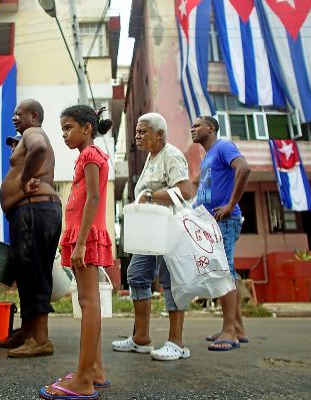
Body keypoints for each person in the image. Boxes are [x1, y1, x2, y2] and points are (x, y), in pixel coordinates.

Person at [39, 105, 113, 400]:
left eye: (69, 128)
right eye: (63, 129)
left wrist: (81, 242)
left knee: (88, 302)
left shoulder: (90, 155)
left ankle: (83, 379)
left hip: (87, 236)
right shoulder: (87, 157)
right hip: (82, 234)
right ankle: (94, 370)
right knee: (88, 302)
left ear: (87, 128)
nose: (65, 135)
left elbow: (93, 199)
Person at [111, 112, 192, 361]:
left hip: (171, 229)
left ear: (159, 134)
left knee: (171, 281)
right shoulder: (150, 157)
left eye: (142, 131)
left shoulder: (172, 155)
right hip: (149, 231)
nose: (137, 136)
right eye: (136, 131)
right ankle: (141, 338)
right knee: (136, 274)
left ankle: (176, 342)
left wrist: (150, 197)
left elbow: (186, 190)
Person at [0, 99, 62, 358]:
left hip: (35, 210)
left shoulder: (33, 133)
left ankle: (41, 339)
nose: (14, 117)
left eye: (20, 113)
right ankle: (27, 332)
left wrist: (24, 180)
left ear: (34, 117)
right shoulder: (26, 133)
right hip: (29, 212)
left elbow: (38, 147)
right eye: (13, 113)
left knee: (35, 272)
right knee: (26, 273)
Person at [191, 115, 251, 351]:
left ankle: (229, 333)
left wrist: (230, 204)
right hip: (212, 222)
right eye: (192, 126)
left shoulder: (223, 146)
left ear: (211, 127)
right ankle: (237, 328)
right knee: (228, 273)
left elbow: (244, 169)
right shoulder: (208, 156)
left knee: (223, 273)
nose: (192, 129)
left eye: (197, 125)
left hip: (225, 219)